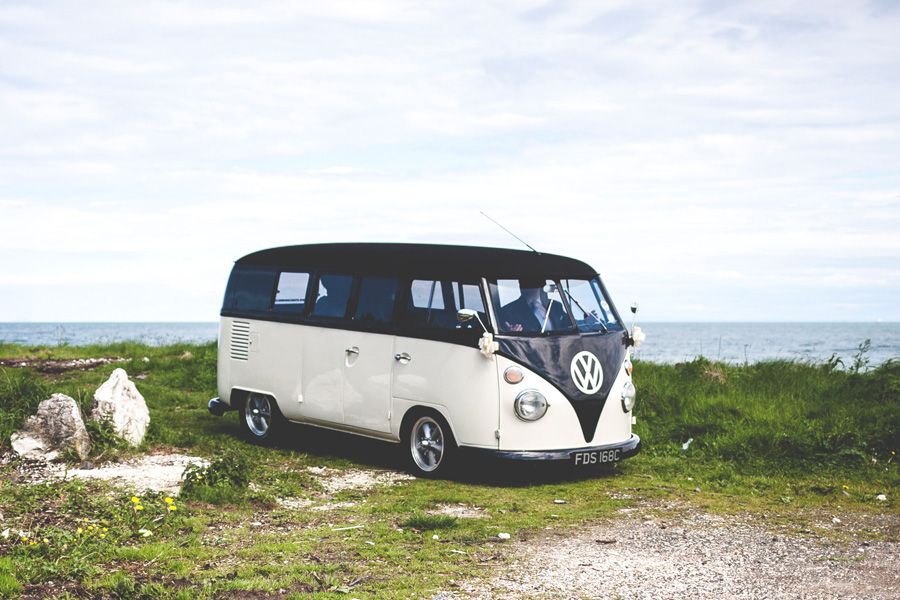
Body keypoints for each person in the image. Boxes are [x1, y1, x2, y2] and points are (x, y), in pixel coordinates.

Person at [500, 278, 569, 333]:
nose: (535, 289)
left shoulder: (555, 306)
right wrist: (512, 334)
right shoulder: (508, 311)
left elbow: (569, 326)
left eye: (537, 286)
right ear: (521, 287)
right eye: (528, 286)